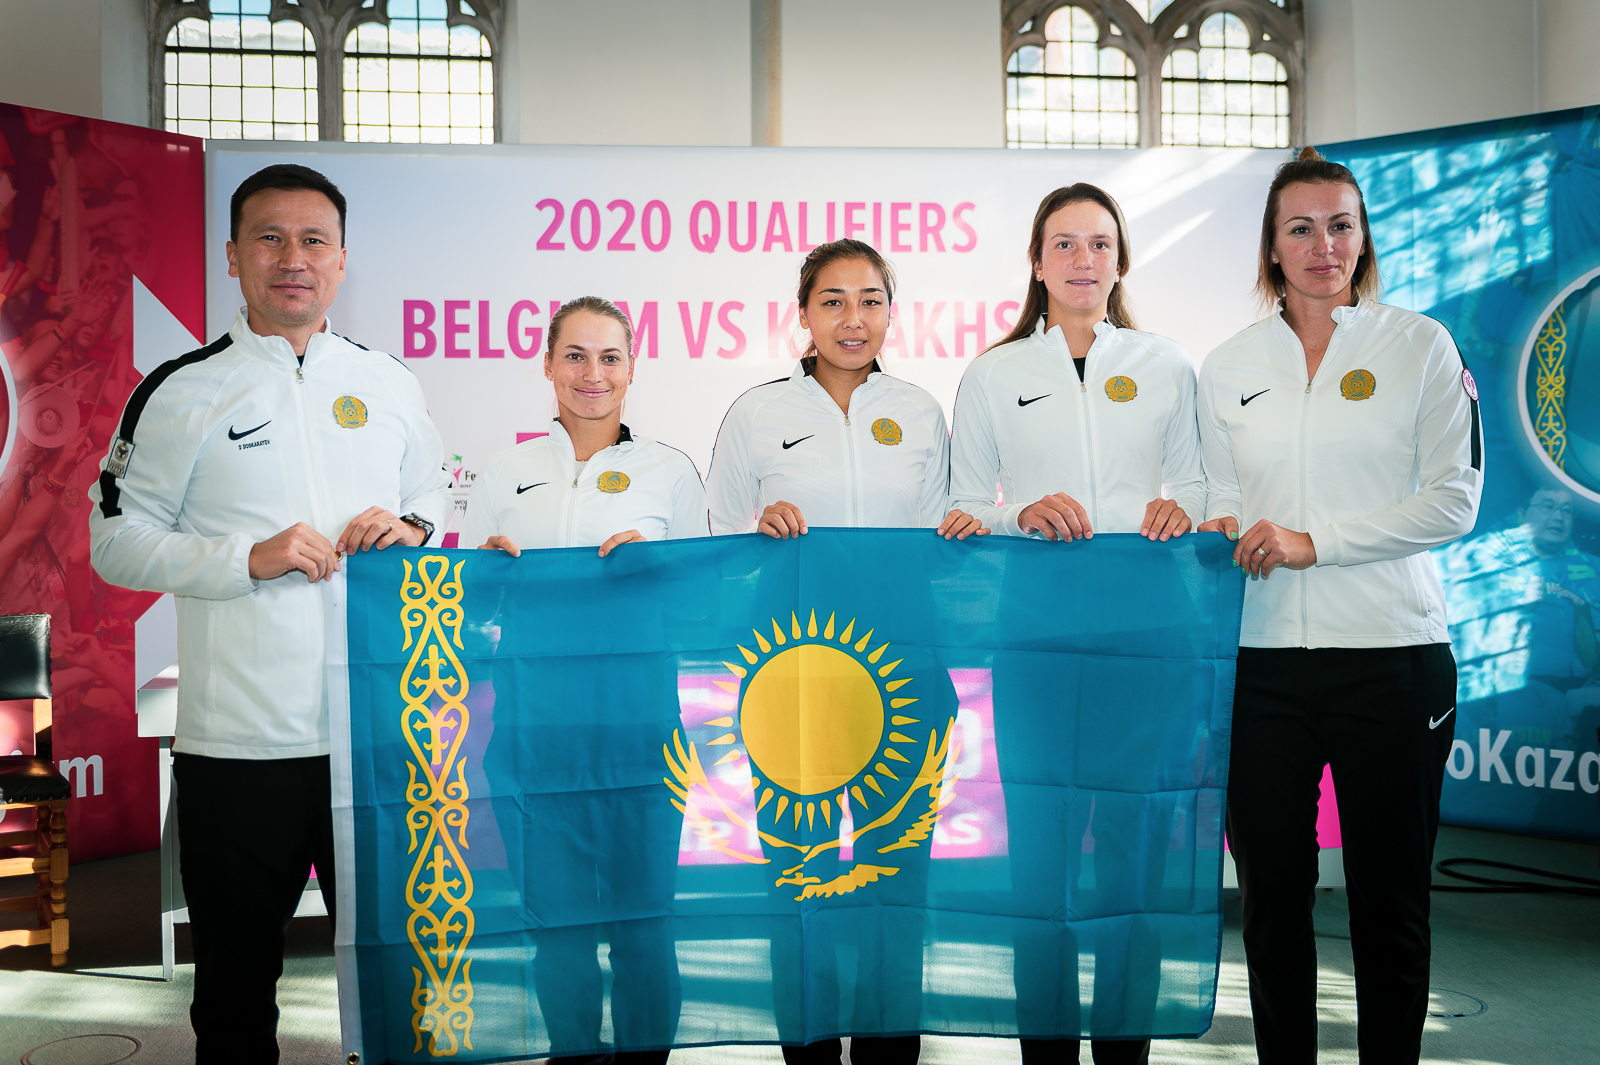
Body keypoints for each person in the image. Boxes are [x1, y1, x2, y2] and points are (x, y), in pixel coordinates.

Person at [88, 163, 452, 1064]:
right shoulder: (180, 388)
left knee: (407, 987)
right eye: (271, 238)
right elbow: (115, 542)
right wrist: (245, 558)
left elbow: (436, 497)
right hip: (240, 750)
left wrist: (411, 527)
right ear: (233, 256)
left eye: (314, 240)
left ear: (341, 261)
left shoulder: (388, 381)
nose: (294, 258)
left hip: (379, 742)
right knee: (236, 998)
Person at [1195, 147, 1482, 1064]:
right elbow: (1213, 496)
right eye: (1301, 228)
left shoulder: (1421, 345)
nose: (1324, 245)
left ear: (1363, 238)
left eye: (1341, 225)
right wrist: (1218, 521)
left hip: (1394, 660)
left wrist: (1314, 542)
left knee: (1389, 903)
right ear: (1272, 248)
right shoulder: (1228, 364)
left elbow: (1455, 501)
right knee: (1272, 905)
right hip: (1259, 667)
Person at [948, 183, 1206, 1065]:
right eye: (1064, 243)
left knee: (1134, 857)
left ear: (1121, 260)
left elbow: (1202, 486)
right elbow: (960, 507)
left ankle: (1125, 1050)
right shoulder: (994, 373)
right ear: (1036, 262)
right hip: (1036, 639)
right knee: (1042, 862)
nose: (1082, 259)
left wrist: (1180, 509)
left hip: (1149, 639)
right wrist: (1018, 512)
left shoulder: (1166, 364)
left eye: (1099, 243)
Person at [706, 239, 981, 1065]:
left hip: (906, 679)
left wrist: (968, 532)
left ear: (891, 313)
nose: (852, 318)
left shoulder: (921, 411)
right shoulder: (758, 413)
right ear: (803, 313)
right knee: (801, 881)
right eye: (832, 300)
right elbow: (716, 538)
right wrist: (757, 531)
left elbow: (941, 538)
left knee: (901, 880)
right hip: (793, 682)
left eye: (870, 300)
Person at [466, 296, 705, 1065]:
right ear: (547, 364)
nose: (591, 373)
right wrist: (482, 581)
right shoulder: (504, 474)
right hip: (533, 738)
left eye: (609, 357)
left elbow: (701, 609)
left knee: (644, 929)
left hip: (642, 740)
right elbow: (465, 620)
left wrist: (658, 570)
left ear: (632, 369)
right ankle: (572, 1053)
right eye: (575, 355)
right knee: (558, 931)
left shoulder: (670, 472)